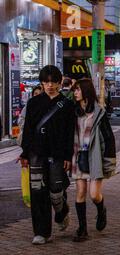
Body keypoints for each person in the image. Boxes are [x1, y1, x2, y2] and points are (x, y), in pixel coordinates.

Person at [18, 65, 76, 245]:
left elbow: (69, 133)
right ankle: (41, 232)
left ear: (59, 83)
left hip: (57, 154)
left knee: (55, 191)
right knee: (37, 192)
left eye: (53, 82)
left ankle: (62, 211)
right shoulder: (34, 103)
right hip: (36, 153)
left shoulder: (66, 105)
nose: (49, 85)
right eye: (46, 82)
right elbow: (27, 129)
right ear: (42, 83)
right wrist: (25, 153)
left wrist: (68, 156)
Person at [71, 79, 116, 242]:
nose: (75, 93)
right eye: (74, 90)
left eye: (77, 90)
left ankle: (101, 209)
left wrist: (109, 161)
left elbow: (109, 138)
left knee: (94, 194)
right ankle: (82, 229)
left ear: (86, 91)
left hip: (95, 156)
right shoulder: (73, 112)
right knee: (80, 191)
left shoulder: (99, 113)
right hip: (78, 155)